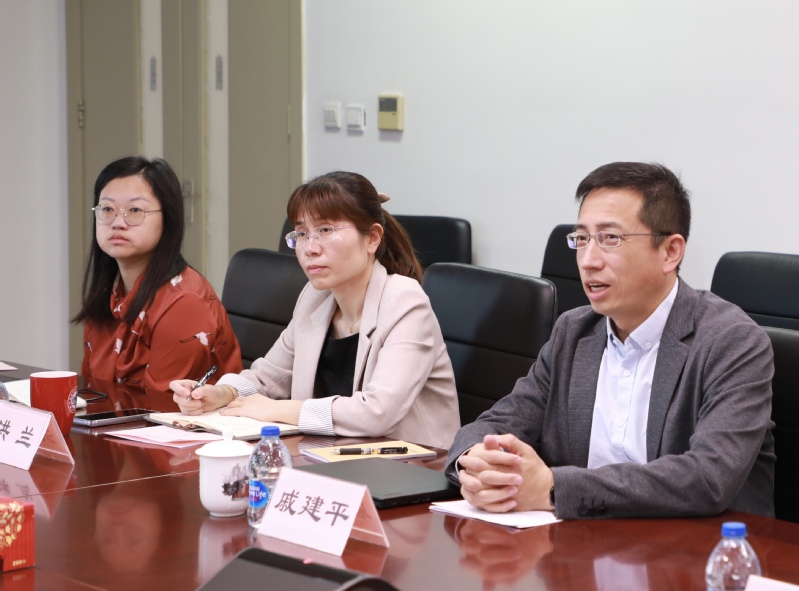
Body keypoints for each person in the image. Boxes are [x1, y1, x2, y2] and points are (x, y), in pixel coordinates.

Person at [446, 162, 775, 519]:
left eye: (610, 239)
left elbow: (708, 477)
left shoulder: (732, 341)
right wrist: (476, 463)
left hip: (702, 545)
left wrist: (553, 488)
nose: (588, 261)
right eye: (582, 239)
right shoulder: (573, 331)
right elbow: (496, 423)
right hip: (582, 542)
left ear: (670, 252)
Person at [170, 171, 460, 449]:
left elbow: (377, 413)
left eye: (325, 230)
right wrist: (221, 393)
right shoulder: (315, 297)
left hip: (412, 465)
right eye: (301, 233)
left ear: (372, 238)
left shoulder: (404, 301)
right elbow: (267, 377)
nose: (310, 248)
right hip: (332, 457)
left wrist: (279, 410)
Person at [74, 156, 242, 398]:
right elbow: (91, 391)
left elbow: (162, 408)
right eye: (107, 209)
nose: (118, 222)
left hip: (178, 421)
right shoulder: (109, 293)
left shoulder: (184, 303)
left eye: (135, 210)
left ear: (168, 219)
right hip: (114, 420)